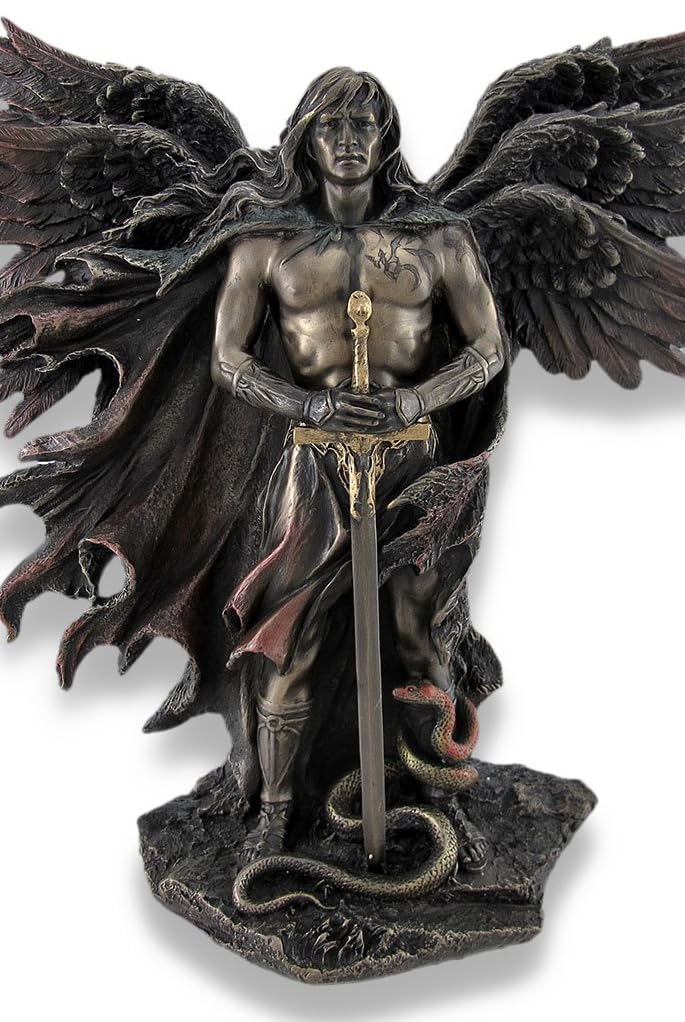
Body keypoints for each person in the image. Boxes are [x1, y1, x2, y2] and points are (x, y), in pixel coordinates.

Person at [208, 69, 506, 867]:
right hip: (312, 468)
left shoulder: (439, 241)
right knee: (291, 636)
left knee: (417, 636)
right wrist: (304, 403)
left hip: (414, 464)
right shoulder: (264, 245)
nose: (346, 140)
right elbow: (228, 359)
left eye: (362, 126)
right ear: (304, 138)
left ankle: (440, 797)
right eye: (330, 125)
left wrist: (417, 400)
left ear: (385, 138)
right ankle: (274, 815)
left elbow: (487, 346)